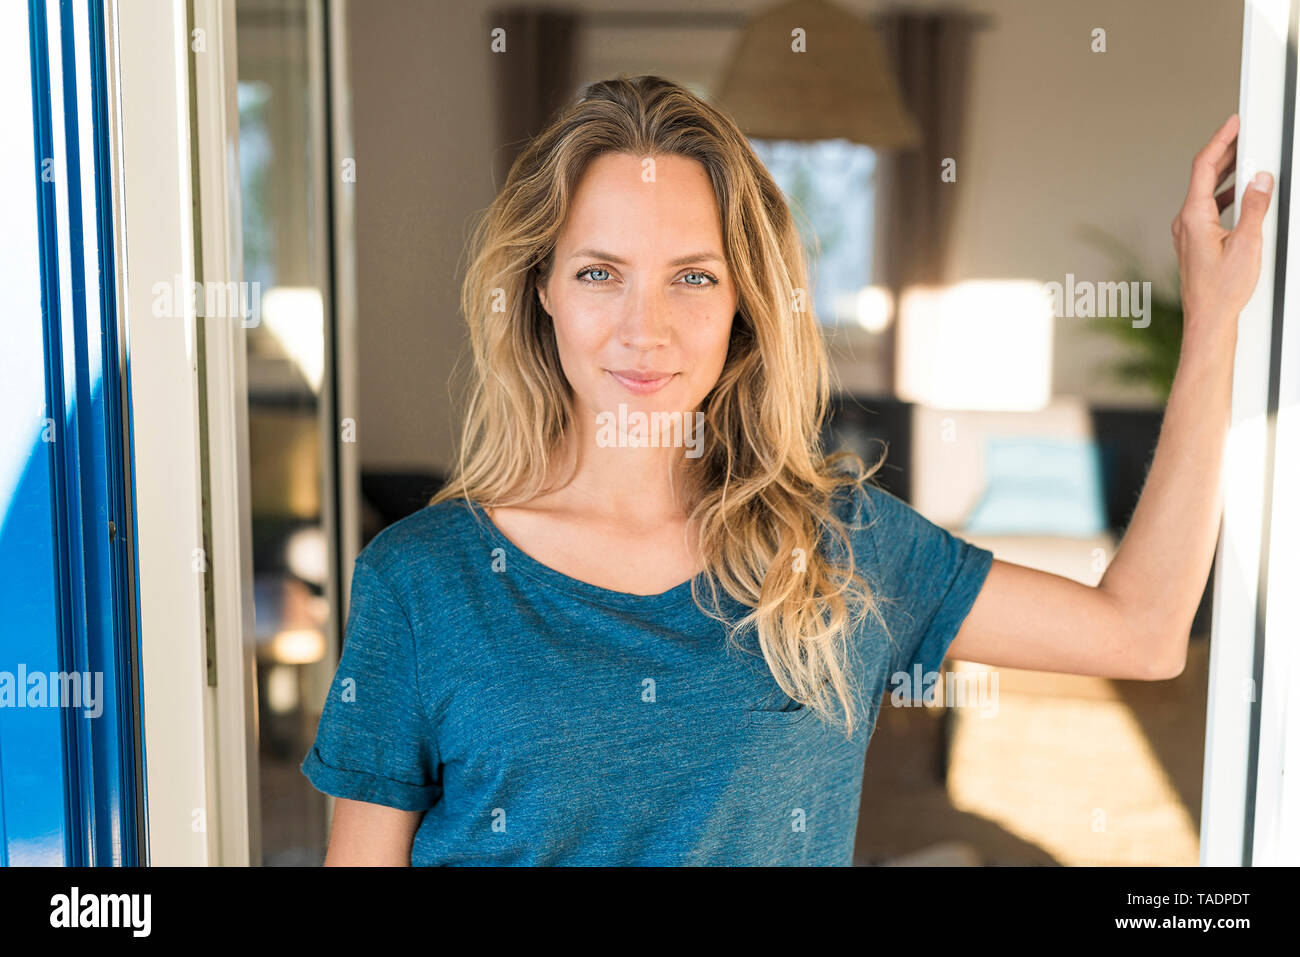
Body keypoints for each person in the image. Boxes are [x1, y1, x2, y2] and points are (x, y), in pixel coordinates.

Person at [302, 75, 1273, 866]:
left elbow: (1144, 634)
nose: (645, 328)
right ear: (541, 288)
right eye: (599, 271)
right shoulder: (422, 582)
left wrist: (1213, 325)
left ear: (743, 305)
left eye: (692, 275)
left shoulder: (842, 547)